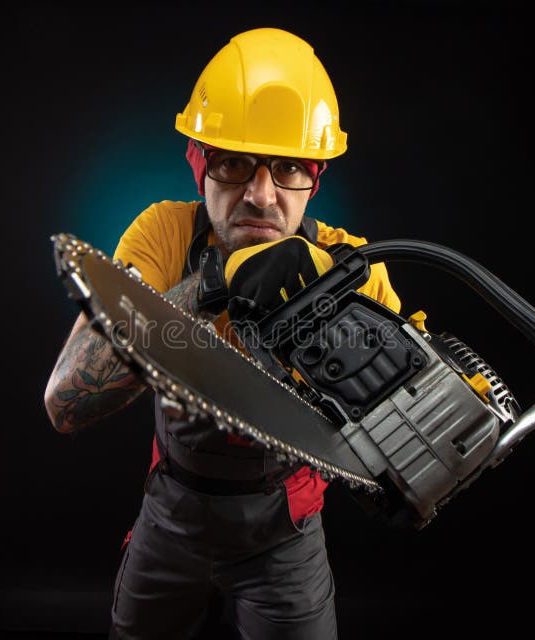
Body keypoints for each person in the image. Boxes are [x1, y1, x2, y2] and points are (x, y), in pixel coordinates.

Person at [44, 27, 402, 640]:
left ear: (314, 178)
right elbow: (64, 402)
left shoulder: (351, 272)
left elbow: (411, 442)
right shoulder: (165, 237)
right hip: (171, 521)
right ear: (199, 166)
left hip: (285, 536)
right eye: (234, 163)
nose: (261, 196)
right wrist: (213, 285)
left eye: (288, 168)